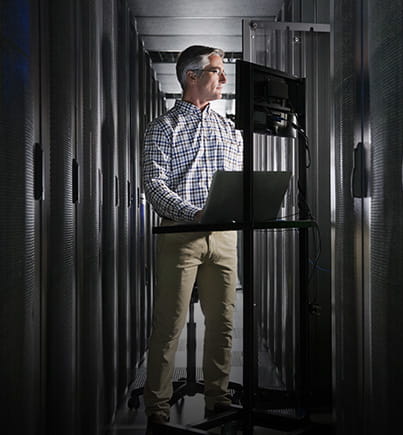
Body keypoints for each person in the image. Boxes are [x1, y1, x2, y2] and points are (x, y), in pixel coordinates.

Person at [142, 45, 243, 431]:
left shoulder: (228, 128)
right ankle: (158, 409)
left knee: (223, 322)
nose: (223, 78)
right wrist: (192, 213)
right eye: (217, 71)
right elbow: (154, 185)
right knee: (169, 324)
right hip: (181, 235)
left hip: (224, 237)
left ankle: (218, 399)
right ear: (192, 77)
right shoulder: (162, 128)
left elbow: (238, 180)